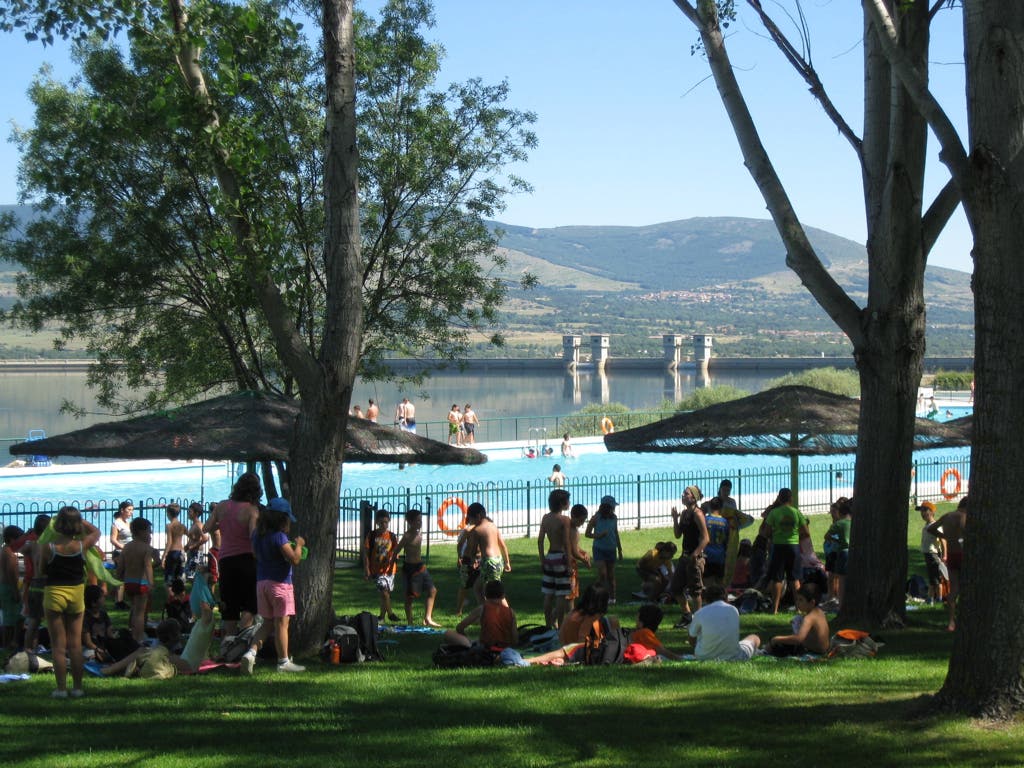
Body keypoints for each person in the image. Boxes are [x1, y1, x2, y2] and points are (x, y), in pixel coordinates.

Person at [240, 497, 306, 674]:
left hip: (262, 584)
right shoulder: (279, 537)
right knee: (282, 624)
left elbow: (255, 554)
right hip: (280, 585)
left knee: (267, 623)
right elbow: (295, 559)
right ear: (282, 520)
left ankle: (250, 653)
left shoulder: (257, 536)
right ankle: (283, 661)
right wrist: (298, 545)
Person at [41, 506, 101, 698]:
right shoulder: (83, 545)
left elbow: (42, 570)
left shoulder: (48, 547)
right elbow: (97, 532)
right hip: (76, 594)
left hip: (54, 594)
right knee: (75, 645)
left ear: (58, 524)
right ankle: (77, 687)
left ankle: (60, 689)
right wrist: (79, 521)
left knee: (58, 646)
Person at [205, 471, 261, 639]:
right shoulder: (252, 510)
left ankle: (229, 642)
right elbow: (253, 536)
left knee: (230, 603)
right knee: (250, 604)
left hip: (226, 561)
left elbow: (206, 528)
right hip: (247, 560)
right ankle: (243, 639)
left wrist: (222, 524)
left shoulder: (222, 506)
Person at [390, 508, 441, 627]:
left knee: (432, 590)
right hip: (410, 569)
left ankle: (427, 618)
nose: (420, 522)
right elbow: (395, 551)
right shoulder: (407, 536)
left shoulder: (419, 533)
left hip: (420, 566)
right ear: (410, 522)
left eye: (421, 520)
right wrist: (391, 568)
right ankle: (410, 622)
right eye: (418, 521)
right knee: (409, 597)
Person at [762, 488, 810, 614]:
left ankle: (775, 608)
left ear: (779, 498)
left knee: (777, 578)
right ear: (791, 498)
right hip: (793, 547)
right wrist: (795, 537)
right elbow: (806, 532)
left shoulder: (774, 513)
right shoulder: (796, 512)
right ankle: (799, 607)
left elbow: (766, 532)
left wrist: (774, 535)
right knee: (795, 578)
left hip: (778, 546)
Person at [668, 485, 708, 627]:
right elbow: (678, 535)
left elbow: (705, 538)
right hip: (684, 557)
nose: (683, 495)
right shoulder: (685, 514)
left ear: (694, 497)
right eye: (683, 493)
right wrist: (674, 519)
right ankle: (687, 616)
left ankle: (699, 620)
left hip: (694, 558)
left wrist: (695, 555)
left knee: (695, 591)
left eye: (686, 493)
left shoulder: (698, 514)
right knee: (675, 588)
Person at [99, 619, 194, 678]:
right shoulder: (177, 645)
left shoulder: (178, 648)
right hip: (166, 659)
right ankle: (113, 667)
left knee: (141, 652)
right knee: (140, 650)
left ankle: (111, 669)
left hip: (176, 661)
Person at [926, 496, 967, 632]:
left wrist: (945, 537)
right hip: (963, 555)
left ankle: (951, 622)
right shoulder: (965, 517)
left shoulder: (948, 516)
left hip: (952, 555)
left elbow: (931, 529)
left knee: (953, 589)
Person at [688, 584, 760, 661]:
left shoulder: (699, 613)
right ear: (726, 598)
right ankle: (761, 651)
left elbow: (691, 639)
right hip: (733, 656)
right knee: (755, 638)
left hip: (703, 656)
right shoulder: (733, 610)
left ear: (706, 599)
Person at [443, 579, 517, 650]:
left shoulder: (482, 609)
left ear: (485, 595)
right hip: (505, 648)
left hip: (486, 647)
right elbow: (515, 639)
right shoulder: (511, 612)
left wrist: (467, 639)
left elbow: (460, 627)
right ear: (503, 595)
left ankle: (468, 644)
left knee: (448, 633)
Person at [538, 489, 574, 628]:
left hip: (549, 557)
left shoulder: (545, 518)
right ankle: (560, 625)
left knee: (548, 594)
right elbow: (566, 542)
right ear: (563, 503)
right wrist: (569, 563)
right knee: (561, 594)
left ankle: (548, 625)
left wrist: (542, 560)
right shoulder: (564, 520)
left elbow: (540, 540)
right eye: (567, 501)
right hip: (561, 557)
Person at [117, 516, 156, 642]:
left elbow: (120, 567)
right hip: (141, 583)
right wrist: (151, 582)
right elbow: (148, 565)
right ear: (141, 532)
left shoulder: (126, 547)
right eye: (149, 531)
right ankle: (138, 637)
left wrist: (117, 582)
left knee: (134, 609)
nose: (150, 533)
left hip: (129, 582)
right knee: (140, 612)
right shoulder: (147, 548)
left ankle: (132, 632)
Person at [463, 502, 512, 599]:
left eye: (472, 520)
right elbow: (503, 546)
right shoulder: (493, 525)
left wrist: (472, 561)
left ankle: (503, 611)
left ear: (478, 516)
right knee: (479, 587)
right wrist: (507, 562)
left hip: (489, 563)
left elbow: (473, 550)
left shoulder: (477, 530)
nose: (471, 523)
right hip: (498, 560)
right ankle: (485, 609)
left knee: (495, 592)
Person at [16, 514, 50, 655]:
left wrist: (27, 534)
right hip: (46, 584)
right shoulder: (50, 545)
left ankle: (27, 649)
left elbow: (18, 548)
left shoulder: (32, 544)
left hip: (34, 584)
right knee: (54, 620)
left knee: (33, 621)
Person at [767, 583, 830, 656]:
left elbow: (798, 639)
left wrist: (776, 639)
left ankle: (764, 652)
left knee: (776, 643)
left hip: (812, 652)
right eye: (797, 599)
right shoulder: (820, 612)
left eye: (801, 600)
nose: (797, 603)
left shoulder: (809, 618)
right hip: (823, 651)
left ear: (812, 602)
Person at [586, 495, 624, 604]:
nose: (614, 509)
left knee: (611, 576)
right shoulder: (596, 518)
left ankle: (612, 598)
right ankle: (595, 594)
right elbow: (587, 534)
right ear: (607, 506)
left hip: (611, 549)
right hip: (599, 549)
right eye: (613, 506)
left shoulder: (614, 518)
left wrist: (620, 550)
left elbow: (616, 533)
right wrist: (598, 536)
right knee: (603, 574)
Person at [364, 510, 400, 622]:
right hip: (377, 570)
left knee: (385, 595)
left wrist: (393, 558)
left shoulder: (392, 536)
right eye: (381, 522)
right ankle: (390, 614)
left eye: (386, 522)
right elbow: (365, 552)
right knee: (384, 592)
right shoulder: (372, 535)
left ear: (389, 521)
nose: (384, 525)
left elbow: (396, 552)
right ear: (377, 522)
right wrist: (367, 568)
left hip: (390, 570)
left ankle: (381, 617)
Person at [917, 501, 947, 606]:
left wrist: (944, 555)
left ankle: (938, 598)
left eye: (924, 510)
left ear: (931, 512)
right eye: (921, 511)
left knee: (935, 578)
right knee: (931, 577)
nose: (922, 513)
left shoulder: (935, 525)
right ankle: (930, 598)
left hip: (933, 554)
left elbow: (943, 540)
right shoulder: (927, 525)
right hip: (928, 554)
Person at [823, 498, 852, 607]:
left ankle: (840, 602)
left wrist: (837, 540)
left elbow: (826, 536)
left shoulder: (839, 524)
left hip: (841, 552)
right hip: (850, 552)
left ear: (840, 512)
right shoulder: (854, 522)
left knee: (840, 578)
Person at [1, 525, 24, 650]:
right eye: (19, 539)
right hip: (9, 588)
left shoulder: (4, 550)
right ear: (11, 539)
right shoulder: (9, 554)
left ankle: (12, 642)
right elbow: (11, 574)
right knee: (10, 620)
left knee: (15, 617)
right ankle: (7, 644)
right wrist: (16, 591)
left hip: (5, 588)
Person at [702, 497, 731, 586]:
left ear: (710, 507)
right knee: (720, 583)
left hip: (707, 554)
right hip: (720, 555)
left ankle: (709, 599)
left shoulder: (705, 520)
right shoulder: (725, 522)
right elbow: (727, 539)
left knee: (707, 583)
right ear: (721, 507)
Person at [567, 504, 591, 610]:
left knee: (568, 594)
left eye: (584, 520)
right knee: (570, 595)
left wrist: (582, 551)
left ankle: (554, 617)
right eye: (581, 520)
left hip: (568, 562)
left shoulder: (568, 528)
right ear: (573, 516)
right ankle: (571, 616)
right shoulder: (573, 531)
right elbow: (573, 551)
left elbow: (575, 547)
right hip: (569, 564)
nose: (582, 523)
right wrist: (583, 560)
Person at [109, 501, 133, 608]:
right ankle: (118, 601)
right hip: (120, 553)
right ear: (122, 510)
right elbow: (113, 540)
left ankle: (117, 596)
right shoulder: (116, 523)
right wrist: (124, 547)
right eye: (129, 510)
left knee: (125, 576)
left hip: (129, 553)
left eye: (132, 510)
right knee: (121, 578)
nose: (131, 512)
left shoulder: (128, 523)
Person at [454, 520, 481, 616]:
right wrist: (459, 557)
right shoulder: (468, 530)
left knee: (479, 586)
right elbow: (460, 544)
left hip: (479, 559)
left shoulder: (482, 527)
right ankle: (458, 610)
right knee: (464, 585)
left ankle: (483, 610)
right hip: (468, 559)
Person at [162, 502, 187, 594]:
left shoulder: (169, 526)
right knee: (181, 579)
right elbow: (191, 536)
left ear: (168, 513)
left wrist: (164, 556)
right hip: (181, 552)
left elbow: (169, 542)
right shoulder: (182, 526)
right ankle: (182, 601)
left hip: (172, 553)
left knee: (169, 580)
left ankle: (172, 600)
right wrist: (188, 547)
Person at [184, 502, 209, 580]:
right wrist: (187, 546)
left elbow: (205, 538)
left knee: (194, 576)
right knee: (190, 575)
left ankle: (199, 591)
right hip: (192, 552)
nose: (188, 513)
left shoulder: (198, 525)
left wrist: (192, 546)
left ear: (196, 513)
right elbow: (193, 538)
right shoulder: (193, 524)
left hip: (196, 553)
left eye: (190, 511)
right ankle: (195, 591)